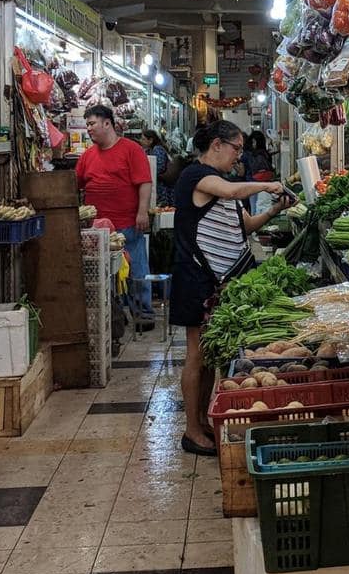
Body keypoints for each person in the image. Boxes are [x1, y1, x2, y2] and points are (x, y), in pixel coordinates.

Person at [172, 121, 292, 455]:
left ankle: (202, 421)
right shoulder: (195, 177)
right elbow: (231, 192)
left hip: (219, 279)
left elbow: (247, 227)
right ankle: (191, 431)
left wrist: (274, 209)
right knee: (196, 355)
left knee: (208, 356)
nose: (238, 157)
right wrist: (266, 186)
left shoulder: (223, 182)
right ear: (216, 145)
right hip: (195, 277)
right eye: (236, 148)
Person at [76, 104, 156, 316]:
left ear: (107, 123)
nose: (89, 129)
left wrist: (142, 212)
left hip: (127, 223)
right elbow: (77, 184)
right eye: (87, 125)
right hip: (98, 228)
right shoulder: (87, 156)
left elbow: (145, 182)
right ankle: (114, 316)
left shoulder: (131, 149)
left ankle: (144, 313)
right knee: (104, 274)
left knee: (136, 269)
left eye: (92, 123)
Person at [141, 129, 173, 207]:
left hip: (162, 187)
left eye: (143, 139)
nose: (141, 141)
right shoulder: (150, 150)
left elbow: (159, 168)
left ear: (151, 140)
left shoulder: (158, 149)